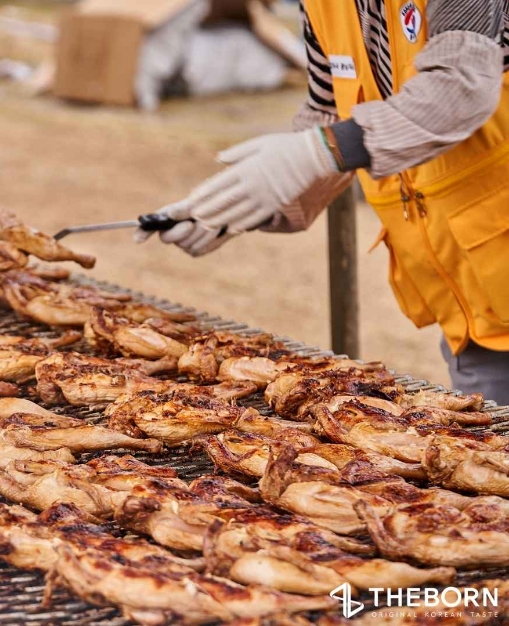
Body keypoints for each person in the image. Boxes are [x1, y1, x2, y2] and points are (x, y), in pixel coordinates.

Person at [137, 0, 509, 404]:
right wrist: (241, 204)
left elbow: (459, 86)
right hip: (474, 304)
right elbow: (329, 112)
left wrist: (318, 151)